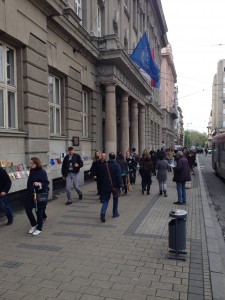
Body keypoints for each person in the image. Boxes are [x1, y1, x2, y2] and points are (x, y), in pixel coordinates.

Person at [25, 157, 49, 235]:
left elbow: (46, 183)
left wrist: (39, 184)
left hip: (39, 194)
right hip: (30, 194)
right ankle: (34, 224)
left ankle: (39, 228)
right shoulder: (32, 171)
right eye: (30, 163)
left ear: (36, 163)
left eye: (32, 163)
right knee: (28, 210)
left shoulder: (42, 172)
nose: (30, 164)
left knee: (38, 211)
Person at [100, 152, 123, 222]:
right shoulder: (117, 165)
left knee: (106, 200)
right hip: (115, 186)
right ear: (115, 157)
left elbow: (102, 176)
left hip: (106, 185)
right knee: (115, 199)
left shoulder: (104, 165)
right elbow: (119, 177)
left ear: (109, 157)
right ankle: (115, 213)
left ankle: (103, 213)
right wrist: (120, 185)